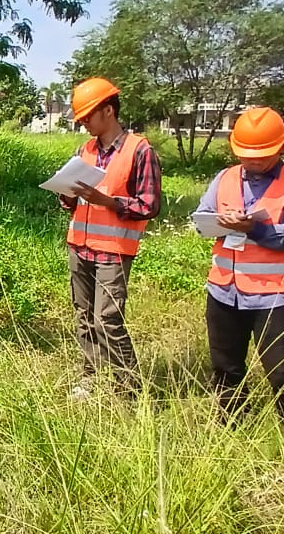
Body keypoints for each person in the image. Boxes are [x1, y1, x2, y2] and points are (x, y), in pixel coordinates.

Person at [195, 107, 284, 425]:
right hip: (224, 289)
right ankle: (232, 422)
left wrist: (257, 229)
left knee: (281, 368)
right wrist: (218, 222)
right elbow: (202, 218)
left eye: (262, 155)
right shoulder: (224, 178)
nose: (253, 161)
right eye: (246, 155)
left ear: (282, 146)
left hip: (276, 293)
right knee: (225, 366)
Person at [63, 77, 162, 399]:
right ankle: (89, 377)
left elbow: (149, 204)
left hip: (114, 250)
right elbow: (74, 198)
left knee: (107, 319)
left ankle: (128, 386)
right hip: (80, 245)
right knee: (84, 316)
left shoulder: (140, 150)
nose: (83, 125)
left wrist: (109, 202)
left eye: (87, 118)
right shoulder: (85, 150)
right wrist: (66, 195)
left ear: (108, 110)